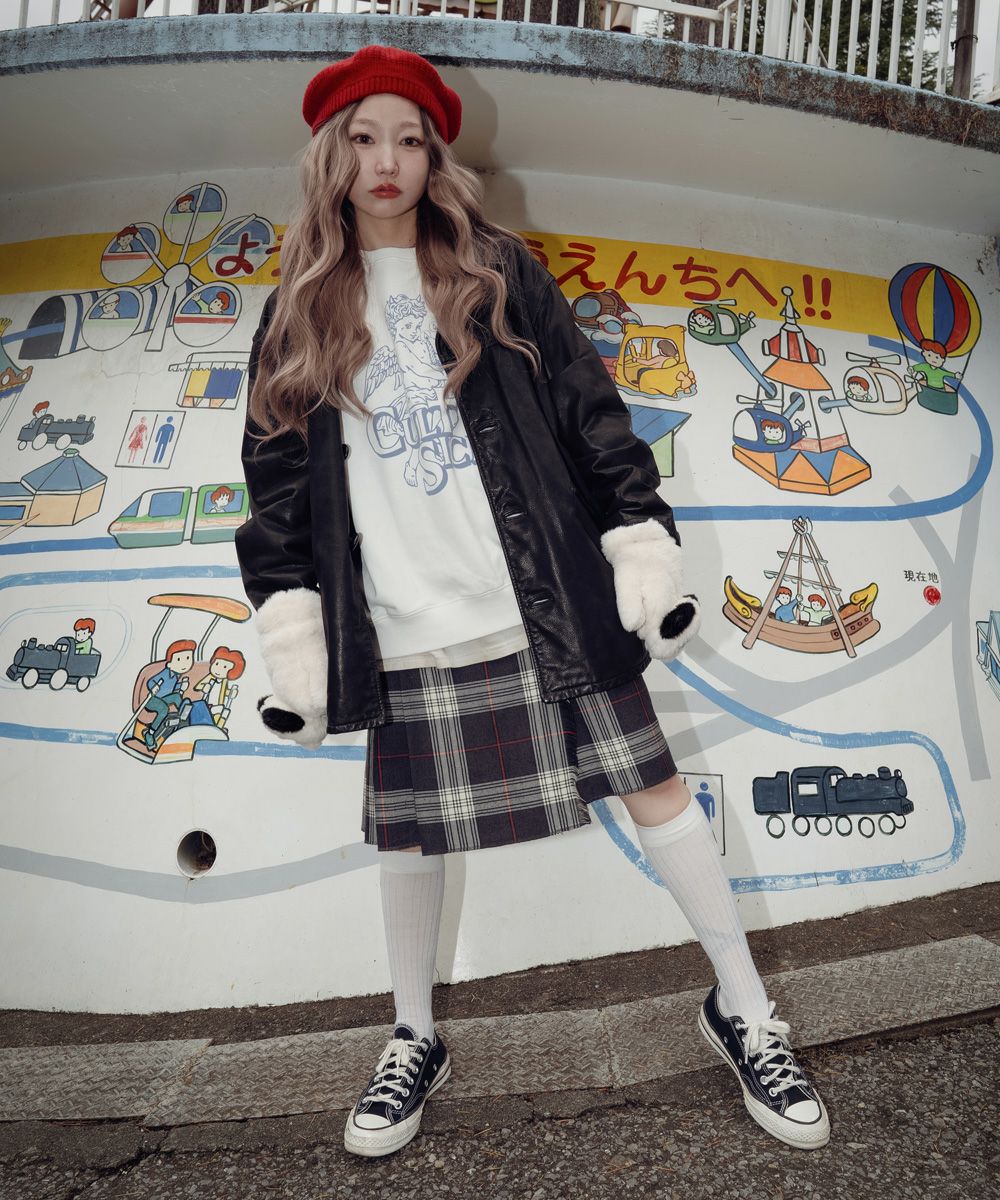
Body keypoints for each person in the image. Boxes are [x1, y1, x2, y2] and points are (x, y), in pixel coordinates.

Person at [233, 43, 830, 1160]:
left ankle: (745, 1011)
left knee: (655, 789)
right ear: (329, 156)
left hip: (540, 598)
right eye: (363, 138)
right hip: (399, 620)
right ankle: (413, 1036)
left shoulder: (496, 269)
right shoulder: (299, 309)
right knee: (407, 837)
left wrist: (634, 532)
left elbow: (590, 413)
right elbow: (273, 487)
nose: (387, 161)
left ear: (434, 158)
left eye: (410, 140)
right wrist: (291, 619)